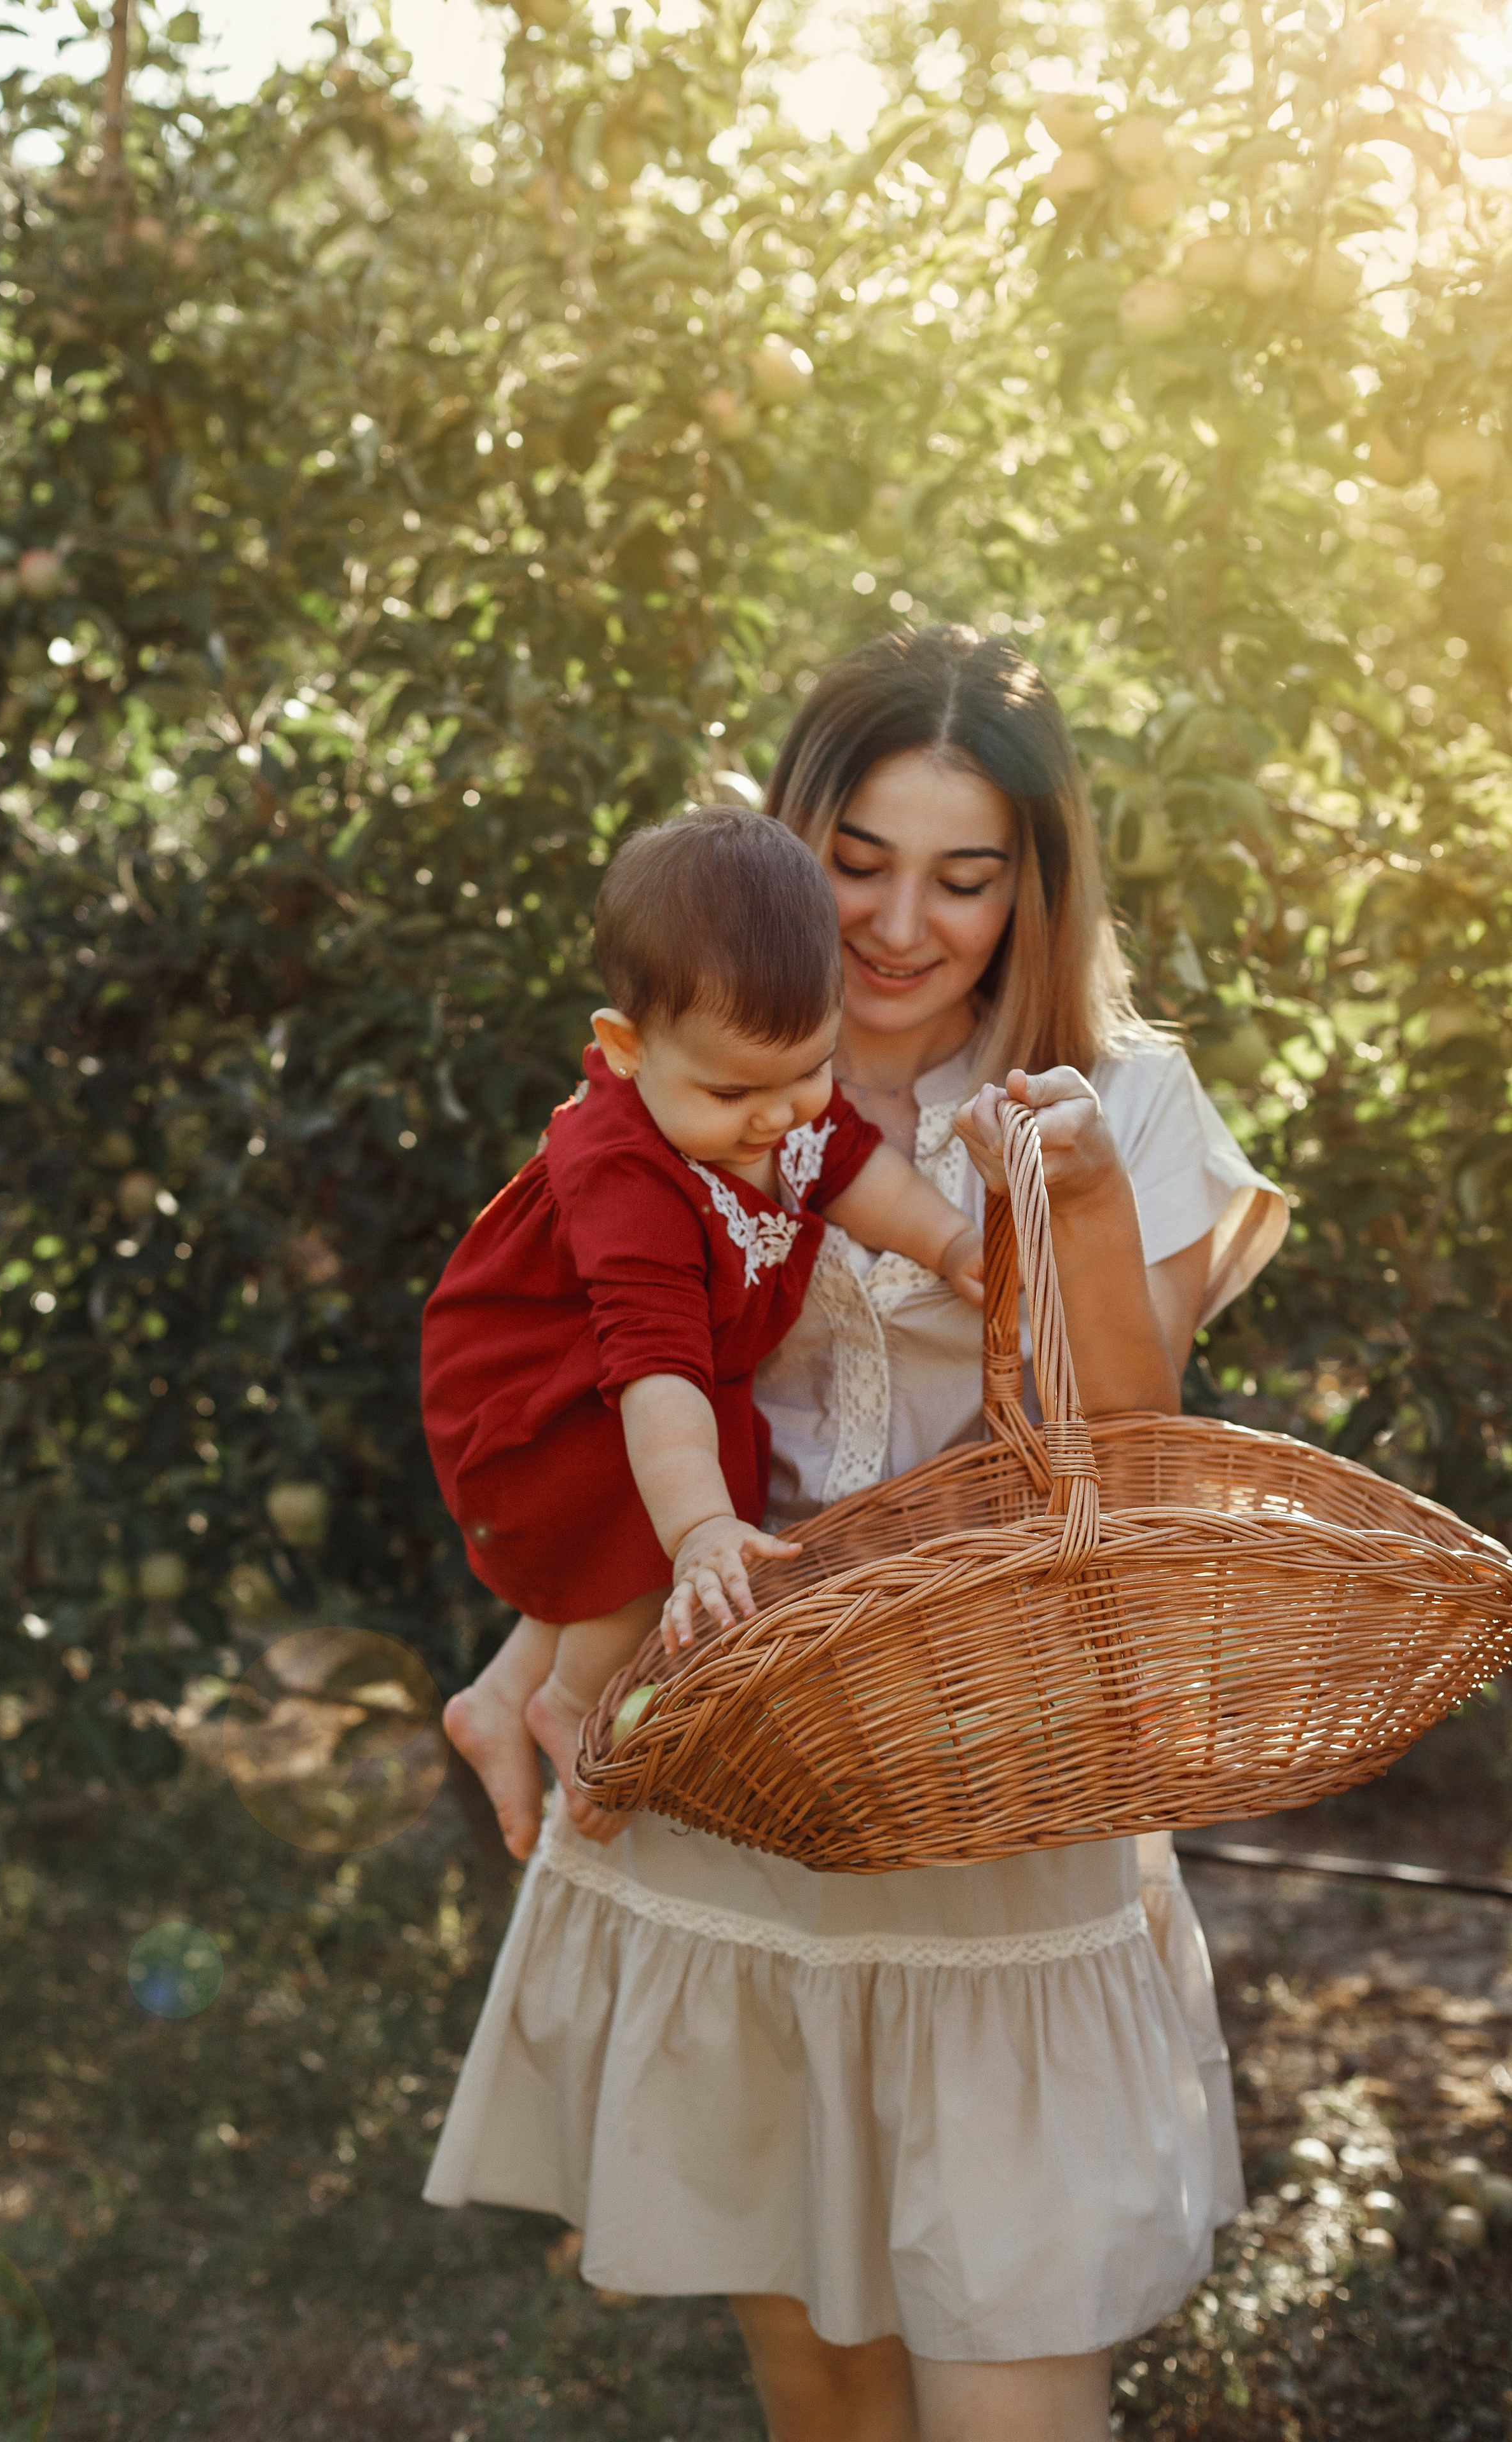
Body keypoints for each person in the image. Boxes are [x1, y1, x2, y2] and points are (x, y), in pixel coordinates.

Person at [425, 626, 1287, 2441]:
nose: (901, 926)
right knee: (824, 2384)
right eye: (858, 865)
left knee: (1010, 2377)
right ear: (785, 850)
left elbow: (1125, 1447)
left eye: (964, 879)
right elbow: (617, 1397)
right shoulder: (703, 1072)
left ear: (1033, 892)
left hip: (1003, 1806)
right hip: (747, 1790)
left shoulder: (1125, 1102)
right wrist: (542, 1653)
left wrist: (1068, 1206)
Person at [426, 806, 984, 1864]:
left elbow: (854, 1168)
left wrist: (954, 1243)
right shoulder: (629, 1175)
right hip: (547, 1378)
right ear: (627, 1050)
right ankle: (574, 1705)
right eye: (735, 1091)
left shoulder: (771, 1098)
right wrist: (698, 1535)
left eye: (810, 1071)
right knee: (661, 1510)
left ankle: (499, 1698)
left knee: (701, 1463)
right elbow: (655, 1374)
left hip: (666, 1368)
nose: (779, 1117)